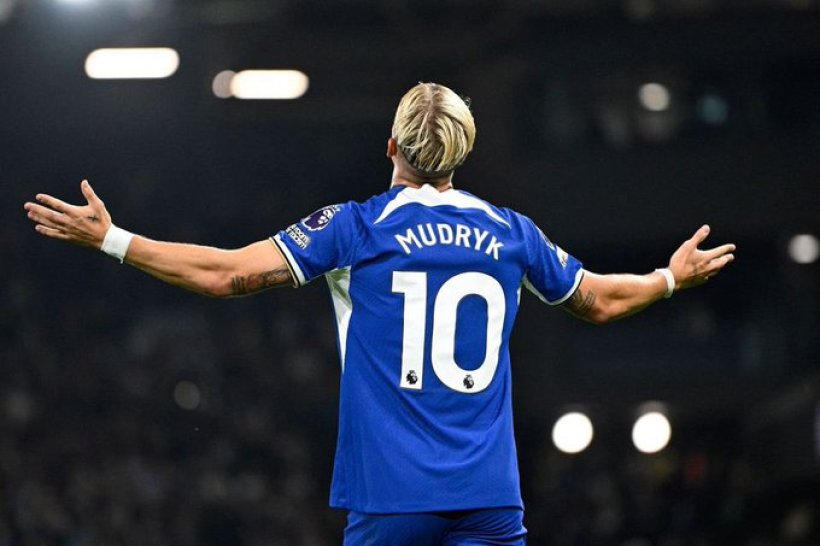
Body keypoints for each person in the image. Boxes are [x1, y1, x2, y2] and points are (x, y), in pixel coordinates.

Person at [24, 82, 735, 545]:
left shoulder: (357, 228)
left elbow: (226, 274)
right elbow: (601, 300)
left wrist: (112, 239)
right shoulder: (512, 233)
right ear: (461, 154)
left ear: (392, 146)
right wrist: (669, 278)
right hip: (491, 503)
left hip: (393, 502)